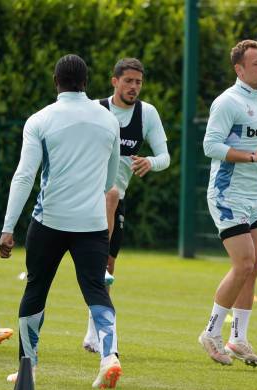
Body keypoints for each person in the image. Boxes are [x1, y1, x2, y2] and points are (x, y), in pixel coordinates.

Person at [0, 54, 123, 389]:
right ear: (86, 82)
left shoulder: (40, 120)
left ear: (56, 81)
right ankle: (109, 357)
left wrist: (8, 228)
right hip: (93, 223)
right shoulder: (109, 120)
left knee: (36, 288)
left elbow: (25, 177)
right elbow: (111, 178)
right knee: (96, 289)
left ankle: (28, 368)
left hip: (49, 221)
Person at [82, 57, 170, 353]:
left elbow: (165, 156)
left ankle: (94, 333)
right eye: (129, 81)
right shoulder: (96, 110)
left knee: (107, 265)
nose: (134, 87)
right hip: (87, 196)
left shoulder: (147, 114)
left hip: (116, 201)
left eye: (138, 82)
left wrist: (150, 162)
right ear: (114, 81)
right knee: (94, 260)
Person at [198, 40, 257, 367]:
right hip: (227, 195)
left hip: (255, 196)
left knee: (254, 267)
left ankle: (239, 338)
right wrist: (251, 156)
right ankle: (211, 333)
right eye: (256, 63)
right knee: (243, 264)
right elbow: (210, 145)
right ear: (239, 69)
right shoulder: (227, 102)